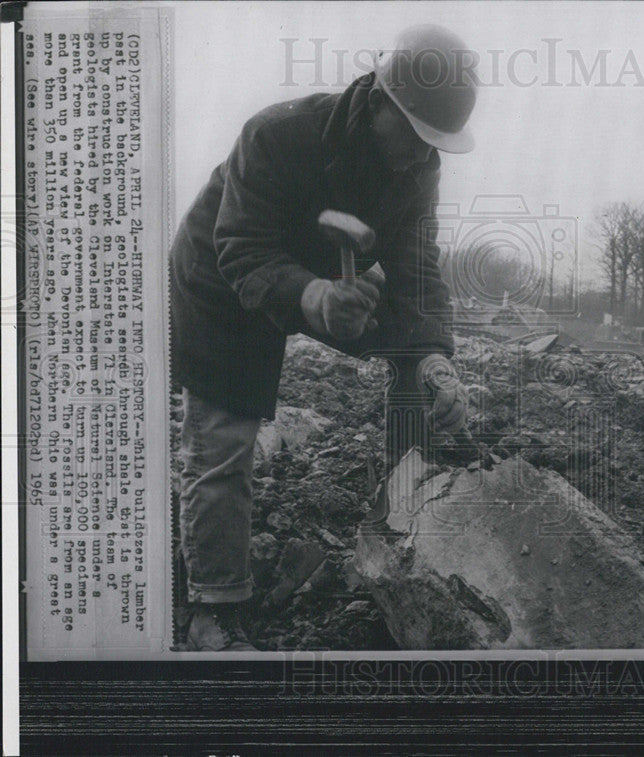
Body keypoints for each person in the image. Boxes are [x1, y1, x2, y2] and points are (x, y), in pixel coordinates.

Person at [169, 24, 477, 650]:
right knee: (226, 440)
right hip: (224, 279)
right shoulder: (276, 134)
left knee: (411, 360)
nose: (423, 156)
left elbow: (416, 269)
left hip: (329, 278)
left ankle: (405, 529)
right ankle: (214, 609)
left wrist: (435, 360)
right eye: (417, 137)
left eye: (434, 146)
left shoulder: (417, 170)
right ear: (378, 101)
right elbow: (243, 247)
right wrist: (312, 298)